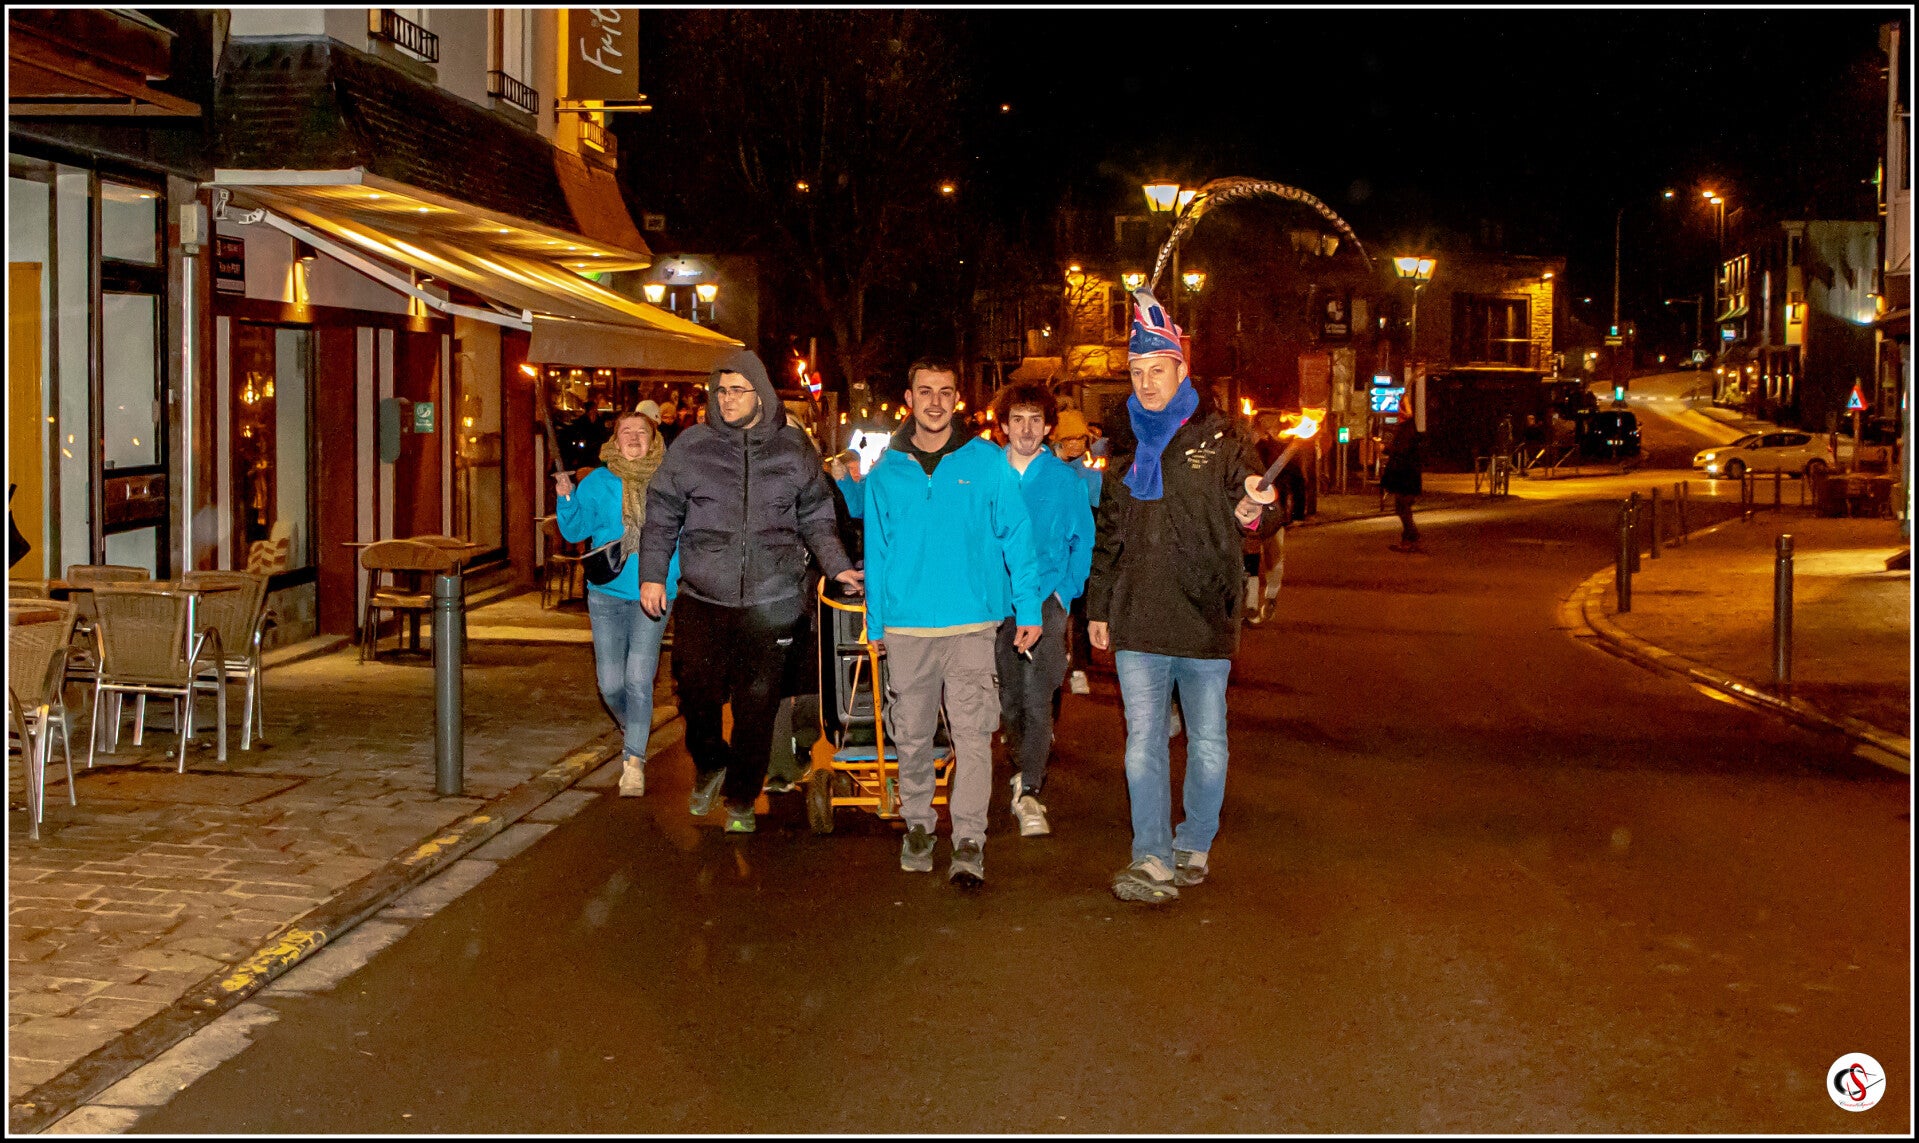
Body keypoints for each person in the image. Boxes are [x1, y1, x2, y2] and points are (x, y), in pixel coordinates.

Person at [1088, 289, 1282, 905]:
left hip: (1205, 614)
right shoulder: (1124, 448)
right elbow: (1109, 535)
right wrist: (1097, 607)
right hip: (1138, 617)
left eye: (1158, 370)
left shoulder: (1222, 438)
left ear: (1180, 370)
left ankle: (1194, 840)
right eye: (1137, 373)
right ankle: (1150, 856)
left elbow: (1258, 511)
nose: (1147, 383)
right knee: (1142, 743)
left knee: (1209, 743)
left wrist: (1254, 510)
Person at [638, 350, 863, 834]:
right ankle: (711, 763)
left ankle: (741, 796)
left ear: (760, 394)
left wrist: (839, 567)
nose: (727, 399)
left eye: (737, 390)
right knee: (694, 691)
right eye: (721, 391)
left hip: (773, 599)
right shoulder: (692, 446)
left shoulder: (792, 449)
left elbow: (817, 517)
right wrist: (652, 574)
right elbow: (661, 513)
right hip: (704, 595)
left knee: (757, 704)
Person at [864, 359, 1042, 887]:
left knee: (972, 736)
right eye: (926, 391)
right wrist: (876, 624)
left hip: (971, 625)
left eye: (945, 392)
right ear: (910, 398)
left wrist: (1029, 607)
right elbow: (876, 550)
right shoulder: (886, 471)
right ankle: (918, 825)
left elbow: (1017, 533)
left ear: (956, 399)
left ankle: (968, 839)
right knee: (912, 736)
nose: (936, 402)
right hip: (907, 628)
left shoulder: (987, 462)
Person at [990, 382, 1094, 837]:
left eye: (1036, 420)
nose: (1027, 430)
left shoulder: (1064, 479)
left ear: (1049, 427)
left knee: (1038, 694)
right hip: (997, 603)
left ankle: (1030, 788)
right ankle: (1022, 761)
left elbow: (1083, 539)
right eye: (1018, 420)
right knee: (1009, 699)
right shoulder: (988, 474)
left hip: (1046, 600)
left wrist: (1064, 594)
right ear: (1004, 426)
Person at [554, 402, 674, 797]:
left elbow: (683, 537)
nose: (634, 438)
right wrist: (566, 500)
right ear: (615, 441)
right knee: (609, 685)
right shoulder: (599, 482)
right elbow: (575, 532)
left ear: (653, 439)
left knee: (638, 679)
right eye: (627, 432)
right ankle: (634, 729)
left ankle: (633, 763)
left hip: (651, 595)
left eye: (642, 432)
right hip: (605, 594)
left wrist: (668, 578)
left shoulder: (669, 482)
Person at [1380, 417, 1424, 553]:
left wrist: (1386, 448)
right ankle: (1407, 540)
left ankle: (1413, 537)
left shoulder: (1406, 437)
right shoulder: (1410, 436)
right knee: (1403, 509)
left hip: (1405, 478)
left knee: (1402, 508)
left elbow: (1400, 453)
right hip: (1408, 478)